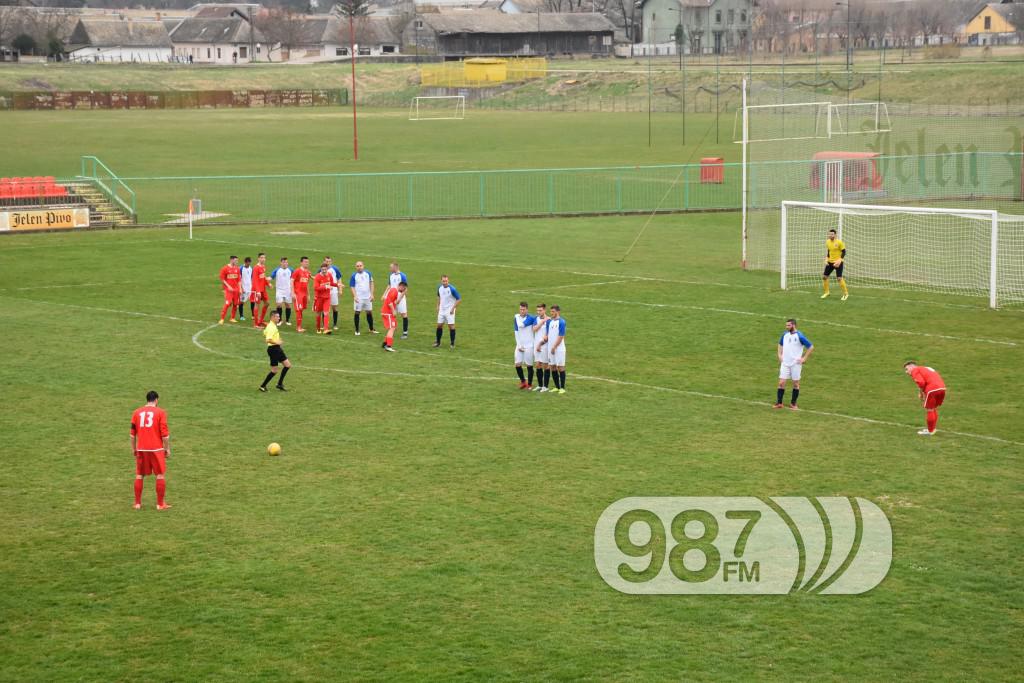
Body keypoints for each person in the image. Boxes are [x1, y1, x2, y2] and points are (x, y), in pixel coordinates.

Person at [130, 390, 171, 510]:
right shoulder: (161, 412)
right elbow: (165, 435)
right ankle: (160, 504)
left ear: (147, 399)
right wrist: (167, 448)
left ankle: (137, 504)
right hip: (156, 449)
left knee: (139, 475)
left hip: (141, 449)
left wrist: (134, 449)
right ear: (156, 400)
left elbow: (132, 435)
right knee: (160, 475)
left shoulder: (136, 412)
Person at [775, 318, 813, 410]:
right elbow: (780, 344)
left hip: (796, 364)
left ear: (793, 325)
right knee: (781, 382)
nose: (786, 327)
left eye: (788, 325)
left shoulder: (800, 336)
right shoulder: (785, 335)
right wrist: (779, 355)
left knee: (795, 384)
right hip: (785, 363)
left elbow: (811, 347)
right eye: (786, 325)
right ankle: (779, 403)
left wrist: (804, 358)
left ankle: (793, 403)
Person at [904, 362, 946, 435]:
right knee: (933, 408)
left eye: (907, 369)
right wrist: (921, 392)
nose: (906, 372)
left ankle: (930, 431)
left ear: (912, 366)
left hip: (932, 389)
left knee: (930, 409)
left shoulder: (915, 370)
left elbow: (921, 383)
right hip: (942, 388)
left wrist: (922, 393)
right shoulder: (926, 368)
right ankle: (932, 429)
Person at [260, 310, 291, 392]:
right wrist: (277, 341)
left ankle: (279, 384)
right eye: (277, 316)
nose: (279, 318)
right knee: (274, 371)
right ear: (273, 317)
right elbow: (268, 339)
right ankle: (262, 386)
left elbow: (264, 333)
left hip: (277, 349)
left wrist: (277, 340)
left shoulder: (271, 325)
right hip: (273, 350)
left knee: (287, 365)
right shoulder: (271, 327)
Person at [539, 304, 567, 394]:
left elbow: (561, 336)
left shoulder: (562, 322)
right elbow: (547, 335)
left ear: (558, 312)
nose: (551, 313)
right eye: (551, 311)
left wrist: (554, 347)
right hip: (551, 349)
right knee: (553, 367)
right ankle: (556, 387)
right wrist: (540, 344)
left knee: (560, 367)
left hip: (559, 349)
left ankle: (562, 388)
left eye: (553, 312)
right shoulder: (549, 322)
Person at [434, 274, 461, 349]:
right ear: (441, 281)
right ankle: (438, 342)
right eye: (443, 281)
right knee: (439, 325)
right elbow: (439, 296)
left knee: (451, 326)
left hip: (449, 310)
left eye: (446, 281)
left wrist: (453, 308)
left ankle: (452, 343)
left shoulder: (452, 289)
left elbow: (459, 299)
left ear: (448, 280)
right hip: (442, 310)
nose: (444, 282)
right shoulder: (439, 287)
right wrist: (437, 306)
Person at [821, 228, 849, 301]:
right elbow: (829, 251)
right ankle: (827, 292)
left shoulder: (839, 242)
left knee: (839, 278)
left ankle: (846, 294)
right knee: (824, 277)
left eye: (832, 234)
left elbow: (844, 252)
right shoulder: (827, 242)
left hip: (838, 262)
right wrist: (826, 259)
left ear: (835, 235)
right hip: (830, 262)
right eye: (829, 234)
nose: (830, 235)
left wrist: (840, 260)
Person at [513, 301, 536, 390]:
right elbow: (516, 331)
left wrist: (516, 316)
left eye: (523, 309)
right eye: (520, 309)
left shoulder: (530, 318)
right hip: (520, 345)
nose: (521, 311)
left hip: (529, 345)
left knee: (529, 365)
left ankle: (529, 384)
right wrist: (519, 345)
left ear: (527, 309)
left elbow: (521, 325)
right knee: (517, 364)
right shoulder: (516, 317)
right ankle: (523, 382)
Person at [350, 261, 377, 335]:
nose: (359, 267)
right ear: (356, 267)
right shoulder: (354, 275)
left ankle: (371, 329)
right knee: (357, 312)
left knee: (369, 311)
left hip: (368, 297)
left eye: (360, 265)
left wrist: (372, 294)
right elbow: (352, 286)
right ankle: (357, 330)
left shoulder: (368, 273)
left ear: (363, 266)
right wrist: (355, 296)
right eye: (357, 266)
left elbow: (371, 283)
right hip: (359, 298)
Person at [380, 281, 408, 352]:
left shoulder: (394, 290)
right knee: (392, 328)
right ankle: (388, 346)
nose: (403, 290)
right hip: (388, 312)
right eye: (403, 288)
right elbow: (389, 301)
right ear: (400, 286)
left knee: (394, 326)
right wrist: (393, 310)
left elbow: (392, 301)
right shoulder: (394, 291)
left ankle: (385, 343)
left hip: (388, 312)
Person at [388, 262, 410, 339]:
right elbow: (389, 286)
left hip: (400, 298)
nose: (390, 269)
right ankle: (392, 331)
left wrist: (399, 299)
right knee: (392, 314)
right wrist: (385, 294)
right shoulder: (391, 275)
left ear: (395, 267)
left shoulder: (402, 276)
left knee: (403, 314)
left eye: (391, 267)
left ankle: (405, 333)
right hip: (392, 298)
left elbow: (405, 289)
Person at [532, 303, 550, 392]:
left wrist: (541, 344)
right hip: (536, 345)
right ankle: (539, 385)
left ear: (544, 310)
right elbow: (534, 329)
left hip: (545, 345)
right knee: (538, 365)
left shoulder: (549, 320)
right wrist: (542, 322)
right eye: (537, 310)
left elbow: (548, 335)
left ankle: (545, 386)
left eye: (540, 310)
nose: (538, 312)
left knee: (545, 365)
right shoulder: (536, 319)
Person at [291, 256, 312, 333]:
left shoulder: (307, 272)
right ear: (301, 263)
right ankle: (298, 327)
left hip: (304, 294)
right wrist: (292, 293)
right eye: (305, 262)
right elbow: (291, 281)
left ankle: (299, 325)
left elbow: (307, 284)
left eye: (308, 262)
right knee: (298, 310)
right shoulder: (297, 271)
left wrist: (308, 295)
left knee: (301, 310)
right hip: (298, 294)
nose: (307, 263)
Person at [218, 255, 241, 324]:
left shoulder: (237, 269)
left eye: (237, 260)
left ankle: (232, 318)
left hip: (236, 290)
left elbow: (239, 280)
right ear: (231, 260)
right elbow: (222, 279)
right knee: (227, 303)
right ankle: (222, 319)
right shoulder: (225, 268)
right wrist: (228, 286)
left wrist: (240, 288)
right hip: (229, 290)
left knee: (235, 304)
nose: (237, 262)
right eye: (236, 260)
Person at [270, 257, 293, 325]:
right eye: (283, 262)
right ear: (281, 263)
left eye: (286, 262)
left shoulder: (291, 270)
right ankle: (279, 320)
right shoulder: (277, 270)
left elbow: (295, 278)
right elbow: (271, 277)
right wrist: (265, 280)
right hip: (279, 290)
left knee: (288, 305)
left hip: (288, 290)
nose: (285, 263)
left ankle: (287, 320)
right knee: (279, 305)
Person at [313, 262, 334, 335]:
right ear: (320, 269)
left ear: (327, 269)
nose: (324, 271)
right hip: (319, 298)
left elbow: (332, 283)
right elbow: (316, 288)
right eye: (322, 269)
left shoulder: (329, 275)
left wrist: (338, 285)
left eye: (325, 269)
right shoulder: (317, 277)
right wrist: (325, 287)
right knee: (318, 313)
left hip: (327, 298)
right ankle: (318, 328)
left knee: (326, 313)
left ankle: (325, 329)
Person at [251, 252, 270, 328]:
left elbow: (263, 277)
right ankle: (256, 324)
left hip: (263, 289)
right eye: (261, 258)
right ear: (258, 258)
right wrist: (258, 291)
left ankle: (260, 320)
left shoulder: (263, 267)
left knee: (267, 303)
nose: (263, 259)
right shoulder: (256, 268)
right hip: (257, 290)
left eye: (264, 258)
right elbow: (255, 280)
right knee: (257, 305)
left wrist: (268, 284)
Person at [325, 256, 343, 331]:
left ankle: (335, 324)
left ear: (331, 262)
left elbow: (339, 279)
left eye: (329, 261)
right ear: (324, 262)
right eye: (326, 261)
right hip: (325, 291)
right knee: (325, 308)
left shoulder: (335, 269)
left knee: (334, 307)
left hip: (334, 291)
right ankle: (325, 324)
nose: (328, 263)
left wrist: (340, 289)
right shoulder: (322, 269)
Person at [238, 256, 253, 321]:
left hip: (250, 288)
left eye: (249, 263)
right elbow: (239, 279)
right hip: (243, 288)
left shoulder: (250, 268)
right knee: (241, 302)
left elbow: (251, 278)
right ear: (245, 262)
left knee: (252, 301)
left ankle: (253, 315)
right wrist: (241, 288)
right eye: (247, 263)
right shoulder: (241, 269)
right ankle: (241, 316)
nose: (248, 265)